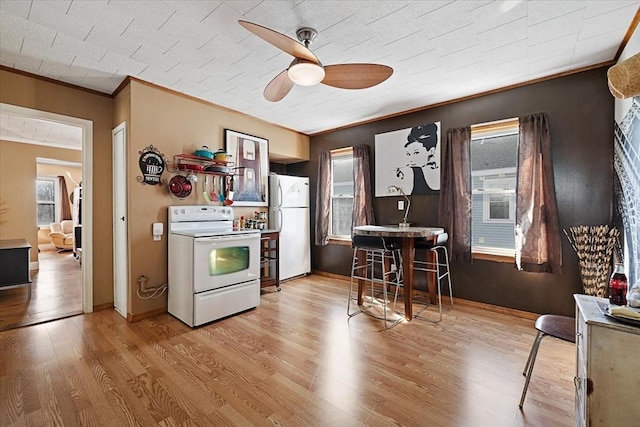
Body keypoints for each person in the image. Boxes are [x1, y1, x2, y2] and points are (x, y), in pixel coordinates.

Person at [393, 123, 440, 194]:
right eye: (408, 154)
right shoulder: (408, 172)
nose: (411, 159)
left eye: (416, 153)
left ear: (431, 151)